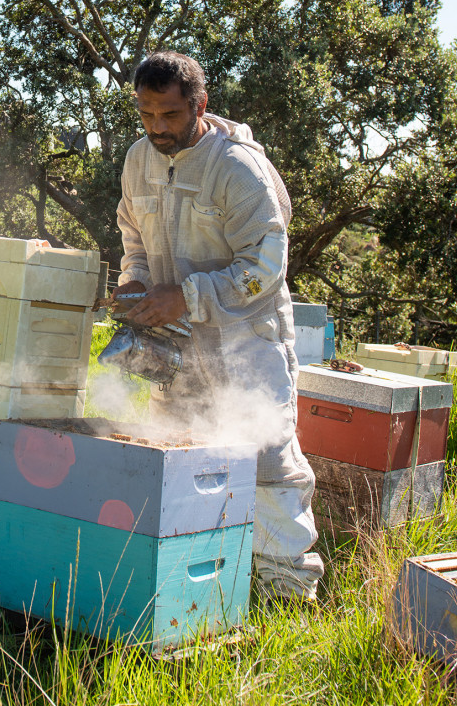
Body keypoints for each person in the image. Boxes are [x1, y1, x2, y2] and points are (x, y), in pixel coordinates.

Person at [113, 51, 323, 602]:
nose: (158, 127)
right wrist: (133, 282)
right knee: (181, 455)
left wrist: (185, 297)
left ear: (199, 106)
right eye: (146, 114)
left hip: (244, 342)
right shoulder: (138, 160)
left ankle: (286, 592)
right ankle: (192, 586)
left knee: (267, 460)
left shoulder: (238, 168)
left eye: (171, 115)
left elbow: (265, 269)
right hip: (176, 344)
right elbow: (133, 240)